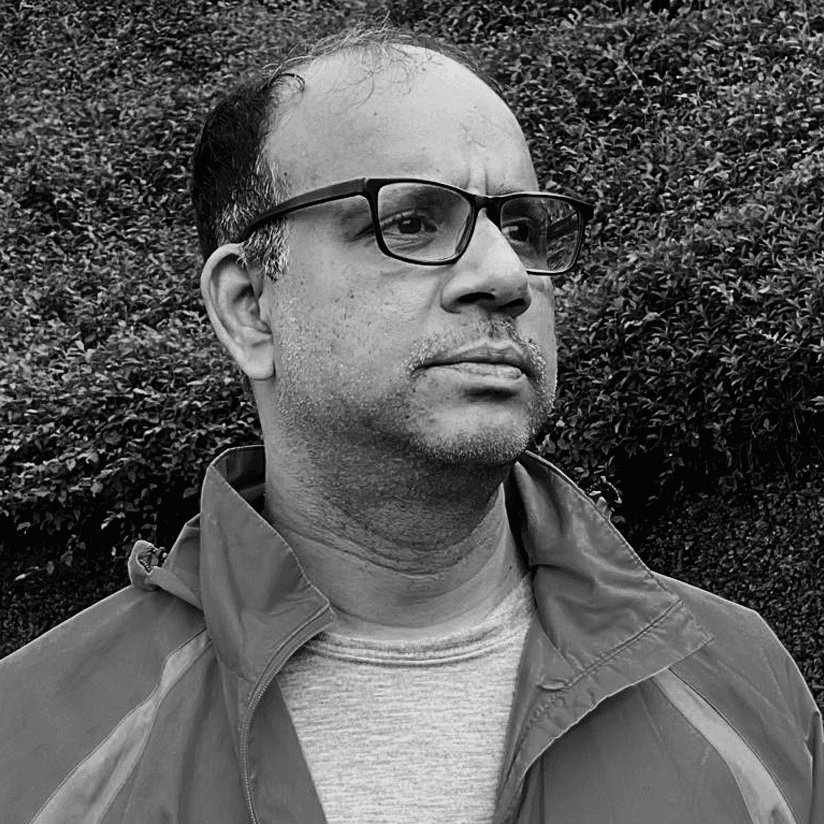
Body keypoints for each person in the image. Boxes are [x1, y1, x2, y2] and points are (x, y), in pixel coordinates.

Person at [1, 24, 821, 824]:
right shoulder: (32, 744)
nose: (505, 275)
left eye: (524, 228)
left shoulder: (740, 677)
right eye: (411, 221)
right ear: (250, 308)